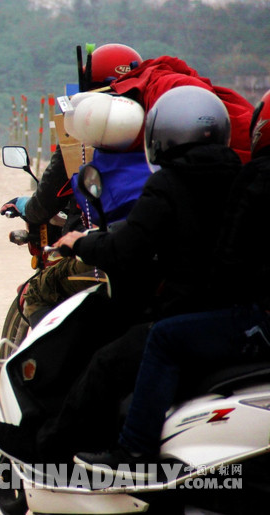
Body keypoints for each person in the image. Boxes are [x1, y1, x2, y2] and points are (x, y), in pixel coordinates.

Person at [0, 85, 244, 465]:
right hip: (223, 305)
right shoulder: (238, 176)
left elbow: (126, 248)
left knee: (107, 357)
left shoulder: (165, 182)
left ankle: (54, 449)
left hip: (185, 306)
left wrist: (78, 243)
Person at [74, 88, 270, 478]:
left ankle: (134, 452)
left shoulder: (257, 178)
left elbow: (229, 261)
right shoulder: (235, 172)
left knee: (165, 336)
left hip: (259, 318)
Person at [0, 43, 145, 326]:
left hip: (104, 254)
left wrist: (25, 206)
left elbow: (46, 200)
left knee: (36, 293)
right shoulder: (156, 132)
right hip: (161, 258)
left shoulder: (84, 130)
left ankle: (43, 368)